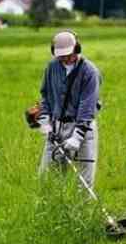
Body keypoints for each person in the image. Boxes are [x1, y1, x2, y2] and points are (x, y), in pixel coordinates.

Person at [37, 31, 102, 188]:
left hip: (82, 129)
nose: (65, 59)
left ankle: (85, 211)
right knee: (46, 178)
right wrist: (45, 120)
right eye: (61, 56)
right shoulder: (52, 67)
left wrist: (78, 136)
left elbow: (87, 106)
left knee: (83, 183)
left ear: (77, 49)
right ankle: (51, 210)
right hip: (56, 128)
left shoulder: (89, 72)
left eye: (68, 55)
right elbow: (46, 94)